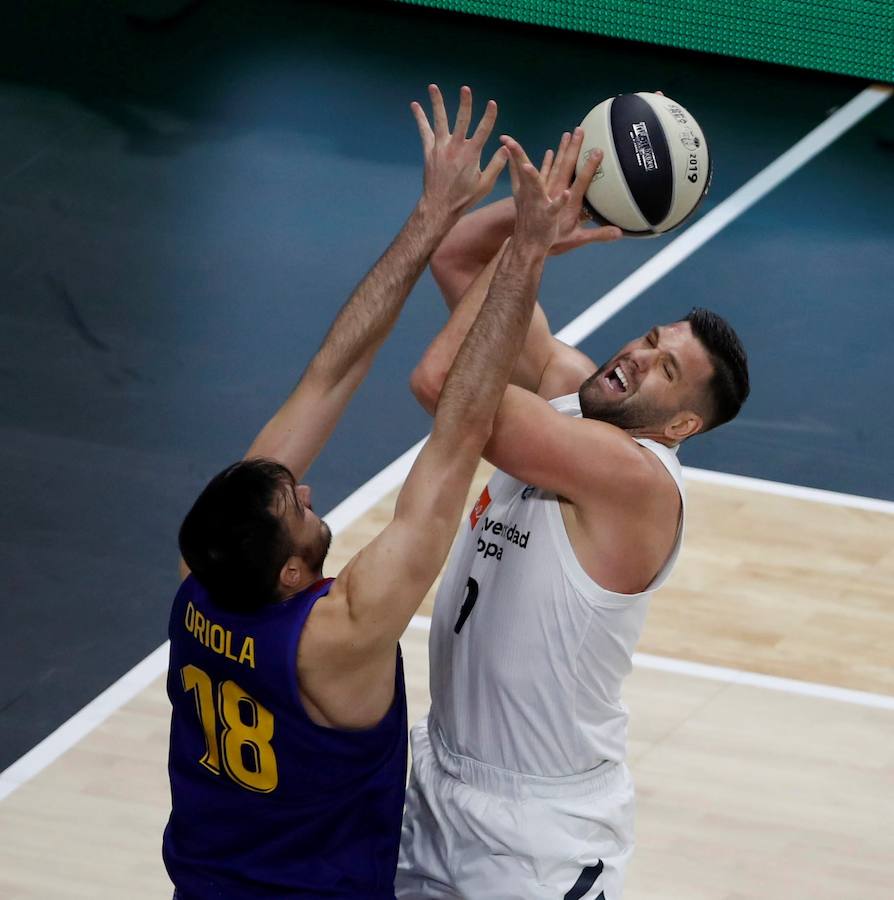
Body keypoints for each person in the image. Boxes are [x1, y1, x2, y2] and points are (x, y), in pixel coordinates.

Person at [162, 83, 575, 899]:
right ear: (287, 575)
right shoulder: (338, 636)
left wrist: (433, 215)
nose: (308, 490)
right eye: (301, 510)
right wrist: (523, 255)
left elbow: (330, 374)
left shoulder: (199, 581)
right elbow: (458, 436)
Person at [398, 128, 750, 898]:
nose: (638, 355)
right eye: (651, 338)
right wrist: (548, 214)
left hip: (539, 835)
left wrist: (529, 251)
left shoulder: (638, 479)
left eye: (666, 369)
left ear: (681, 426)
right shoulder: (571, 389)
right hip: (436, 780)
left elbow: (442, 389)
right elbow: (457, 258)